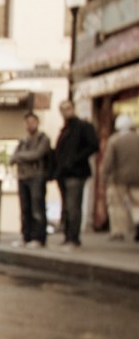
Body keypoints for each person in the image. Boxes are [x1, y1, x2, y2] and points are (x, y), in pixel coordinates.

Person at [53, 100, 99, 249]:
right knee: (67, 206)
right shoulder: (65, 130)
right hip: (64, 174)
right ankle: (68, 237)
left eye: (68, 108)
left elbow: (93, 146)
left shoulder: (83, 127)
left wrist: (74, 160)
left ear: (73, 108)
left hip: (76, 172)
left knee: (73, 206)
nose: (66, 111)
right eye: (63, 109)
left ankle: (73, 238)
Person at [9, 113, 52, 248]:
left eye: (32, 122)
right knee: (25, 208)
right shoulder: (23, 141)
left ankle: (38, 238)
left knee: (37, 208)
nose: (29, 125)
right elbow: (12, 158)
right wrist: (20, 156)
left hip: (37, 176)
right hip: (23, 177)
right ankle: (26, 236)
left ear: (37, 123)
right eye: (27, 122)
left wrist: (20, 156)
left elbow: (37, 154)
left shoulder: (43, 138)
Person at [101, 114, 139, 241]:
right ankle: (137, 221)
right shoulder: (137, 139)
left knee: (117, 204)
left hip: (118, 178)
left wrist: (105, 176)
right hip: (137, 177)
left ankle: (118, 231)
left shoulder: (115, 140)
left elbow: (108, 161)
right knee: (137, 203)